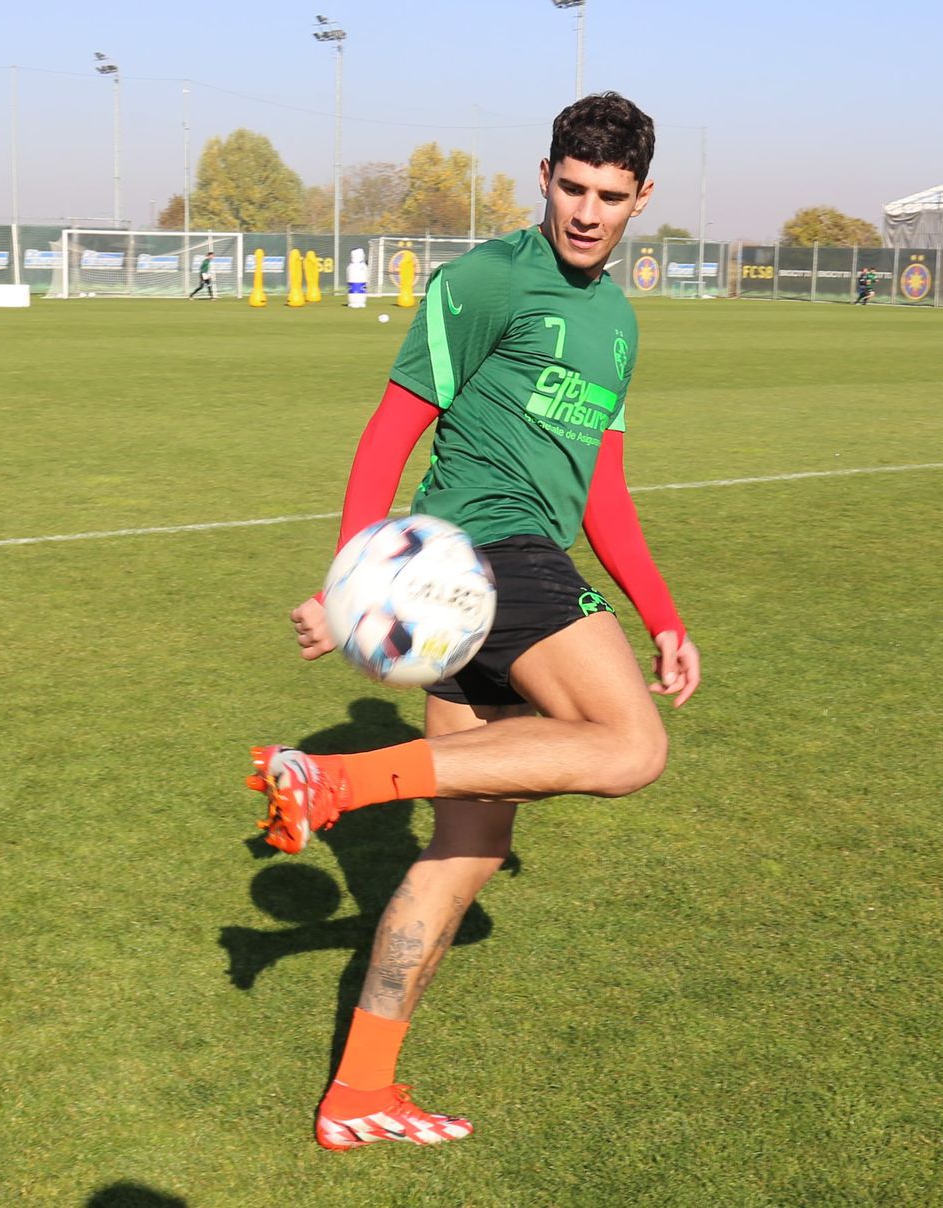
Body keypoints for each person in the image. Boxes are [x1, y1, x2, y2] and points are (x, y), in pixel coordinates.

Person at [247, 91, 700, 1151]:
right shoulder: (488, 279)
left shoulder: (618, 323)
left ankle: (360, 1088)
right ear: (543, 176)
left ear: (643, 199)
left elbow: (605, 493)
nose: (588, 212)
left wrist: (664, 613)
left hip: (510, 573)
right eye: (573, 187)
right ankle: (341, 781)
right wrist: (349, 577)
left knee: (466, 848)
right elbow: (389, 430)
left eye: (611, 196)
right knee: (633, 746)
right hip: (487, 558)